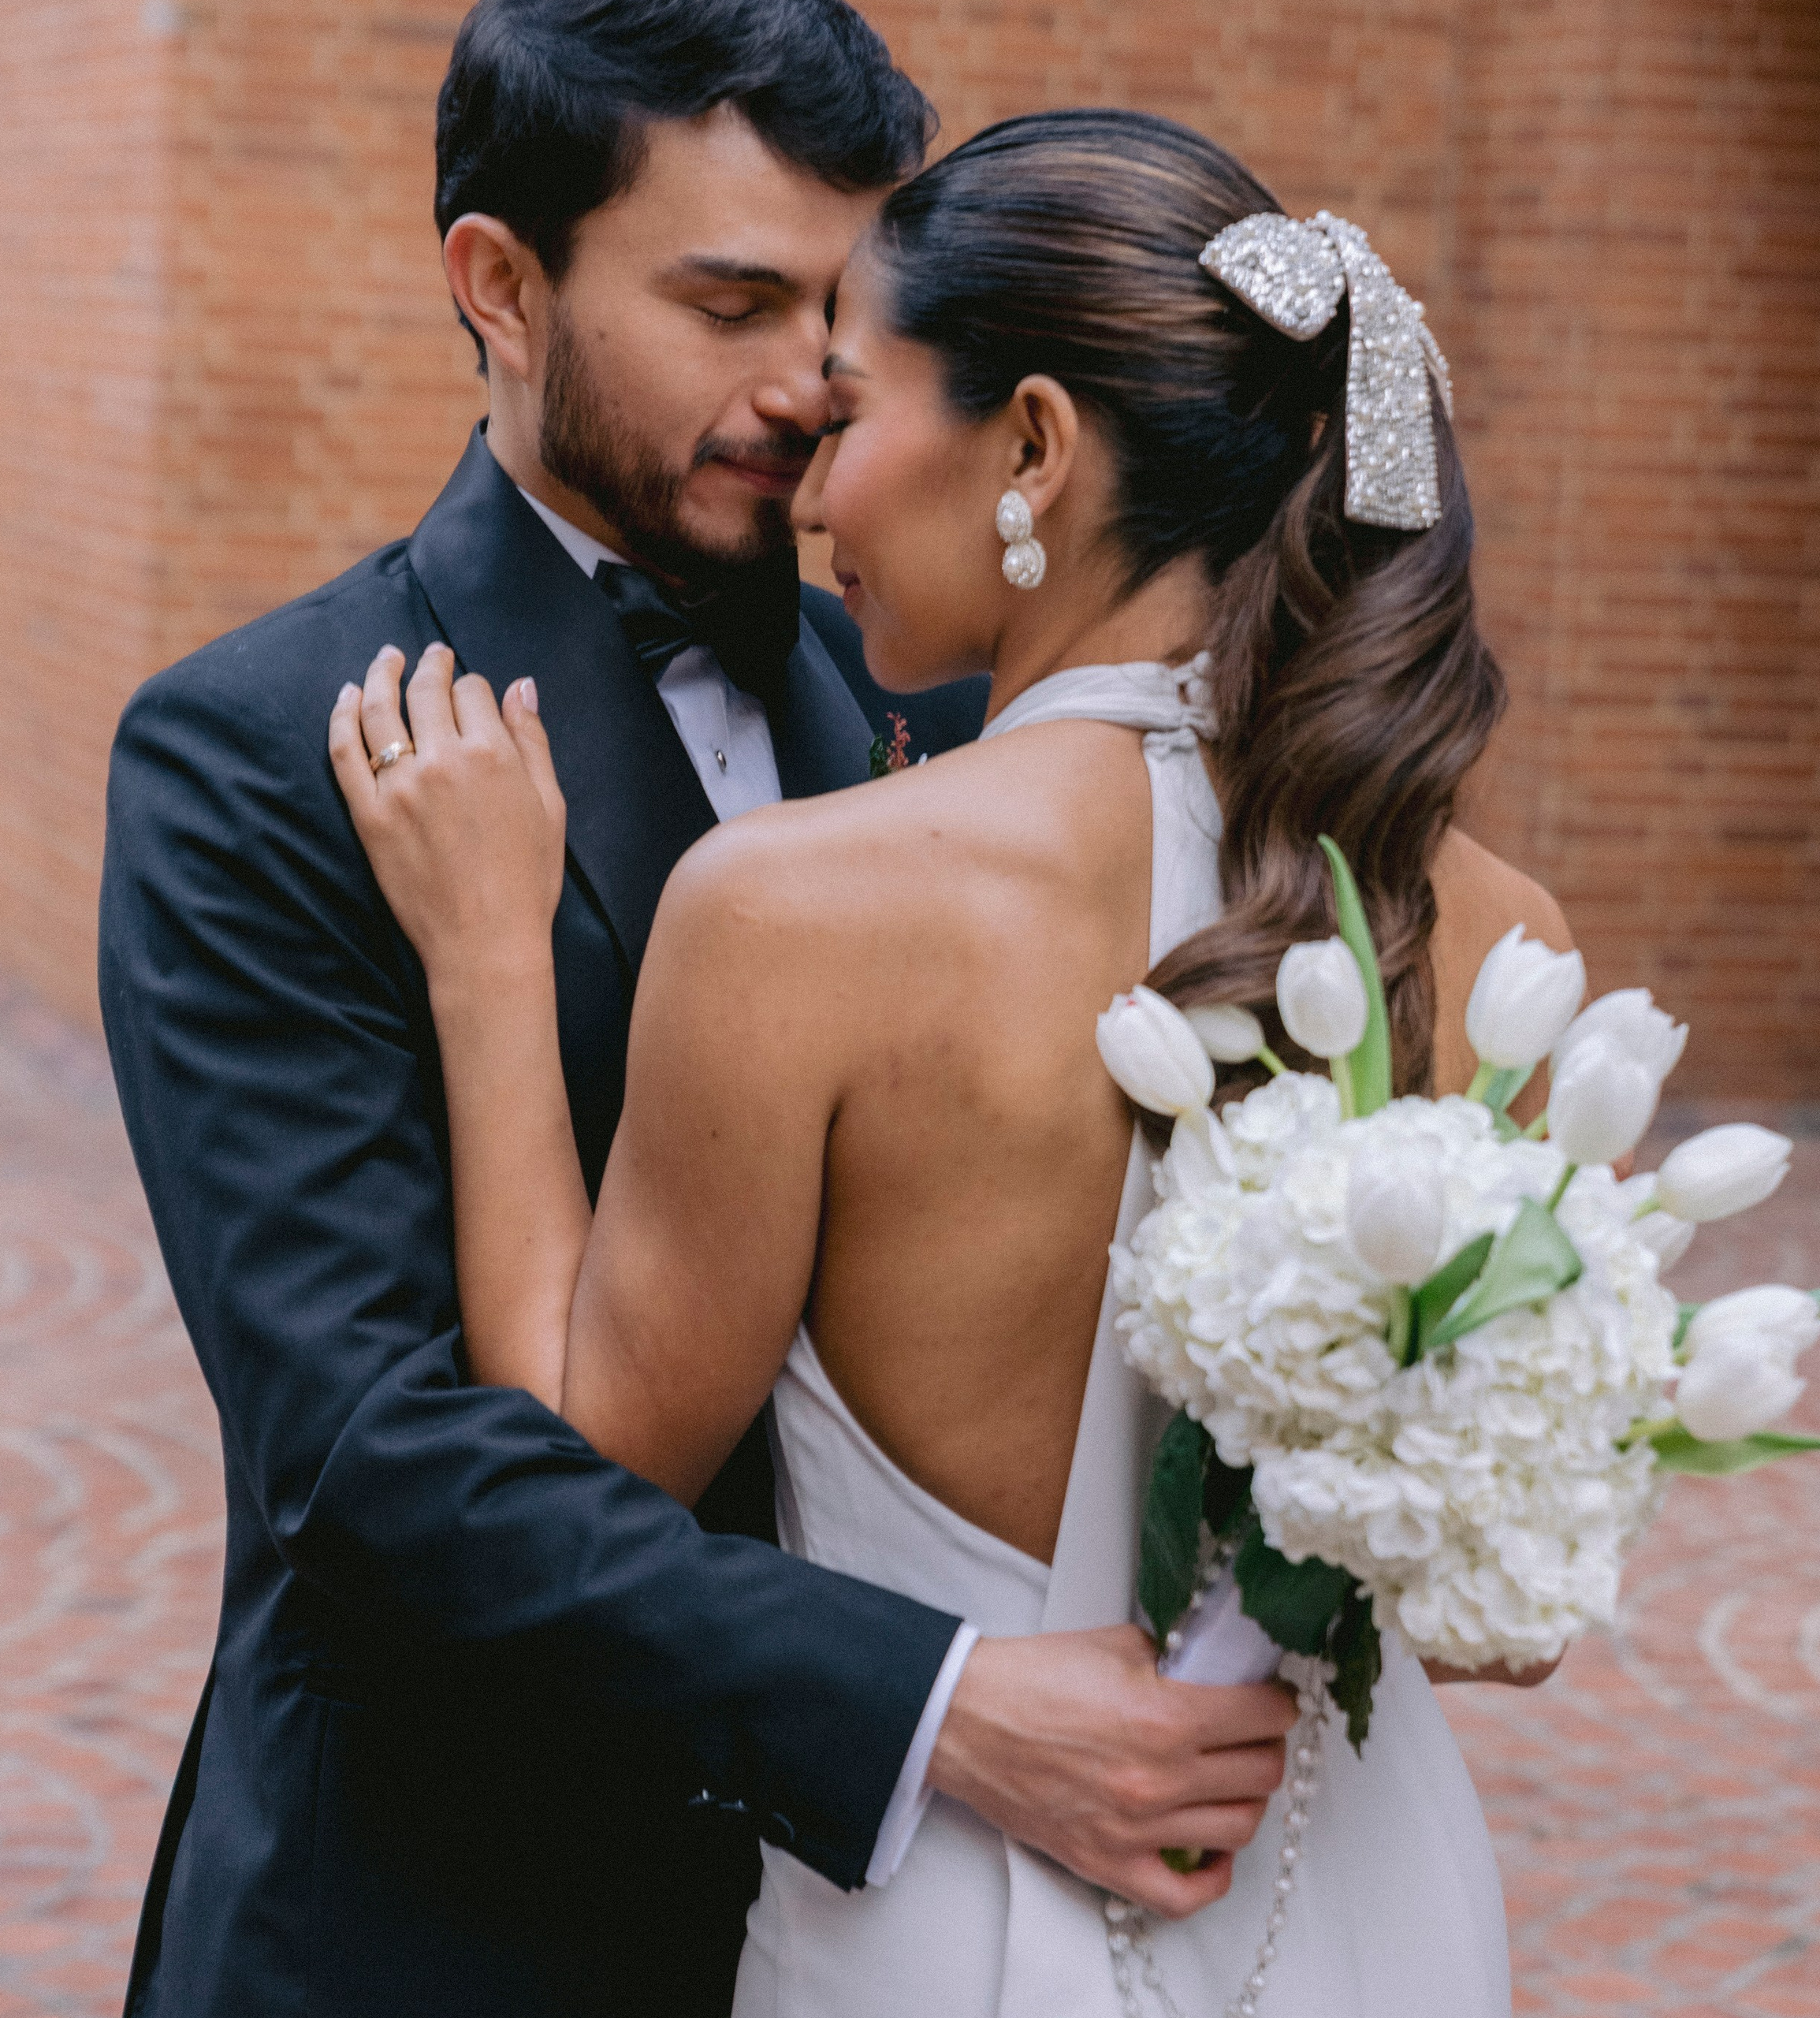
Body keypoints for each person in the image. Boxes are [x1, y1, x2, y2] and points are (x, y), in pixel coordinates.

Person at [98, 9, 1298, 2017]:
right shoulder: (261, 750)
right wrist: (940, 1707)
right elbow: (375, 1468)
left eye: (843, 304)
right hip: (451, 1918)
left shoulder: (933, 688)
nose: (813, 383)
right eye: (730, 301)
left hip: (922, 1930)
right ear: (498, 285)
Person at [330, 108, 1576, 2016]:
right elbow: (1506, 1607)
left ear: (1032, 447)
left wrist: (493, 966)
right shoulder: (1496, 936)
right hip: (1362, 1899)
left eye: (846, 411)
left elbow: (584, 1462)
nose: (811, 496)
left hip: (948, 1916)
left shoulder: (796, 909)